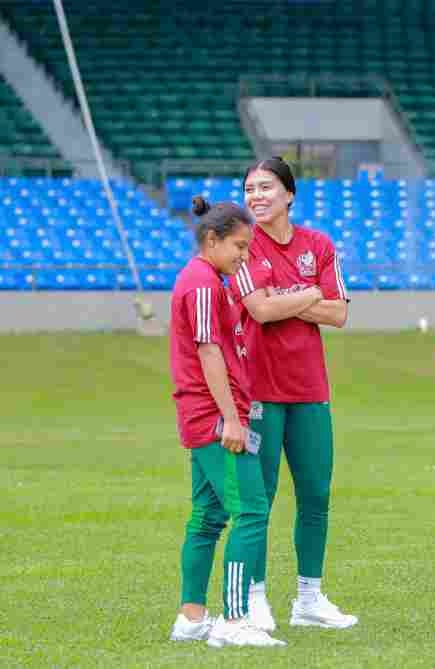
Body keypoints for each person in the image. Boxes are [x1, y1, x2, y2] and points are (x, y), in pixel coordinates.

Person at [230, 157, 357, 631]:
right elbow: (260, 311)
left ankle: (309, 598)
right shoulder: (242, 245)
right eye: (249, 189)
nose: (255, 197)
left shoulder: (318, 244)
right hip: (258, 387)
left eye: (265, 187)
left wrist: (289, 300)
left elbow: (340, 314)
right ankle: (255, 596)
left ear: (289, 194)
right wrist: (308, 296)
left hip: (309, 388)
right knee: (259, 498)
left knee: (316, 493)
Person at [167, 197, 286, 647]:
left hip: (205, 418)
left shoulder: (211, 281)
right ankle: (235, 621)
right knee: (251, 511)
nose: (244, 255)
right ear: (211, 239)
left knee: (207, 518)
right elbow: (207, 350)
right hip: (215, 419)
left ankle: (191, 617)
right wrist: (232, 420)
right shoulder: (201, 284)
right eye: (239, 246)